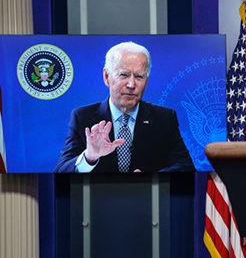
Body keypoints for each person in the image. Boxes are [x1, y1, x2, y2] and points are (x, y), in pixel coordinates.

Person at [54, 41, 194, 173]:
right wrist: (89, 157)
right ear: (106, 77)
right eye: (124, 75)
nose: (132, 85)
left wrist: (151, 178)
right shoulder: (83, 117)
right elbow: (60, 171)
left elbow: (186, 167)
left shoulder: (164, 118)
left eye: (139, 76)